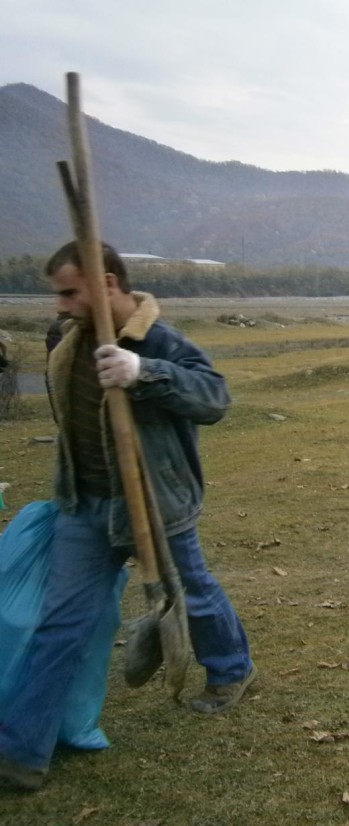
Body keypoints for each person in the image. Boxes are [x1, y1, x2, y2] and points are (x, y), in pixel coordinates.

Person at [0, 242, 255, 792]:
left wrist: (145, 371)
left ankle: (231, 669)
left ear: (108, 283)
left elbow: (214, 399)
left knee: (190, 593)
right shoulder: (67, 344)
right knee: (60, 625)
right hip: (84, 507)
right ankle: (21, 752)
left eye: (71, 292)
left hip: (156, 503)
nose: (60, 305)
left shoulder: (160, 340)